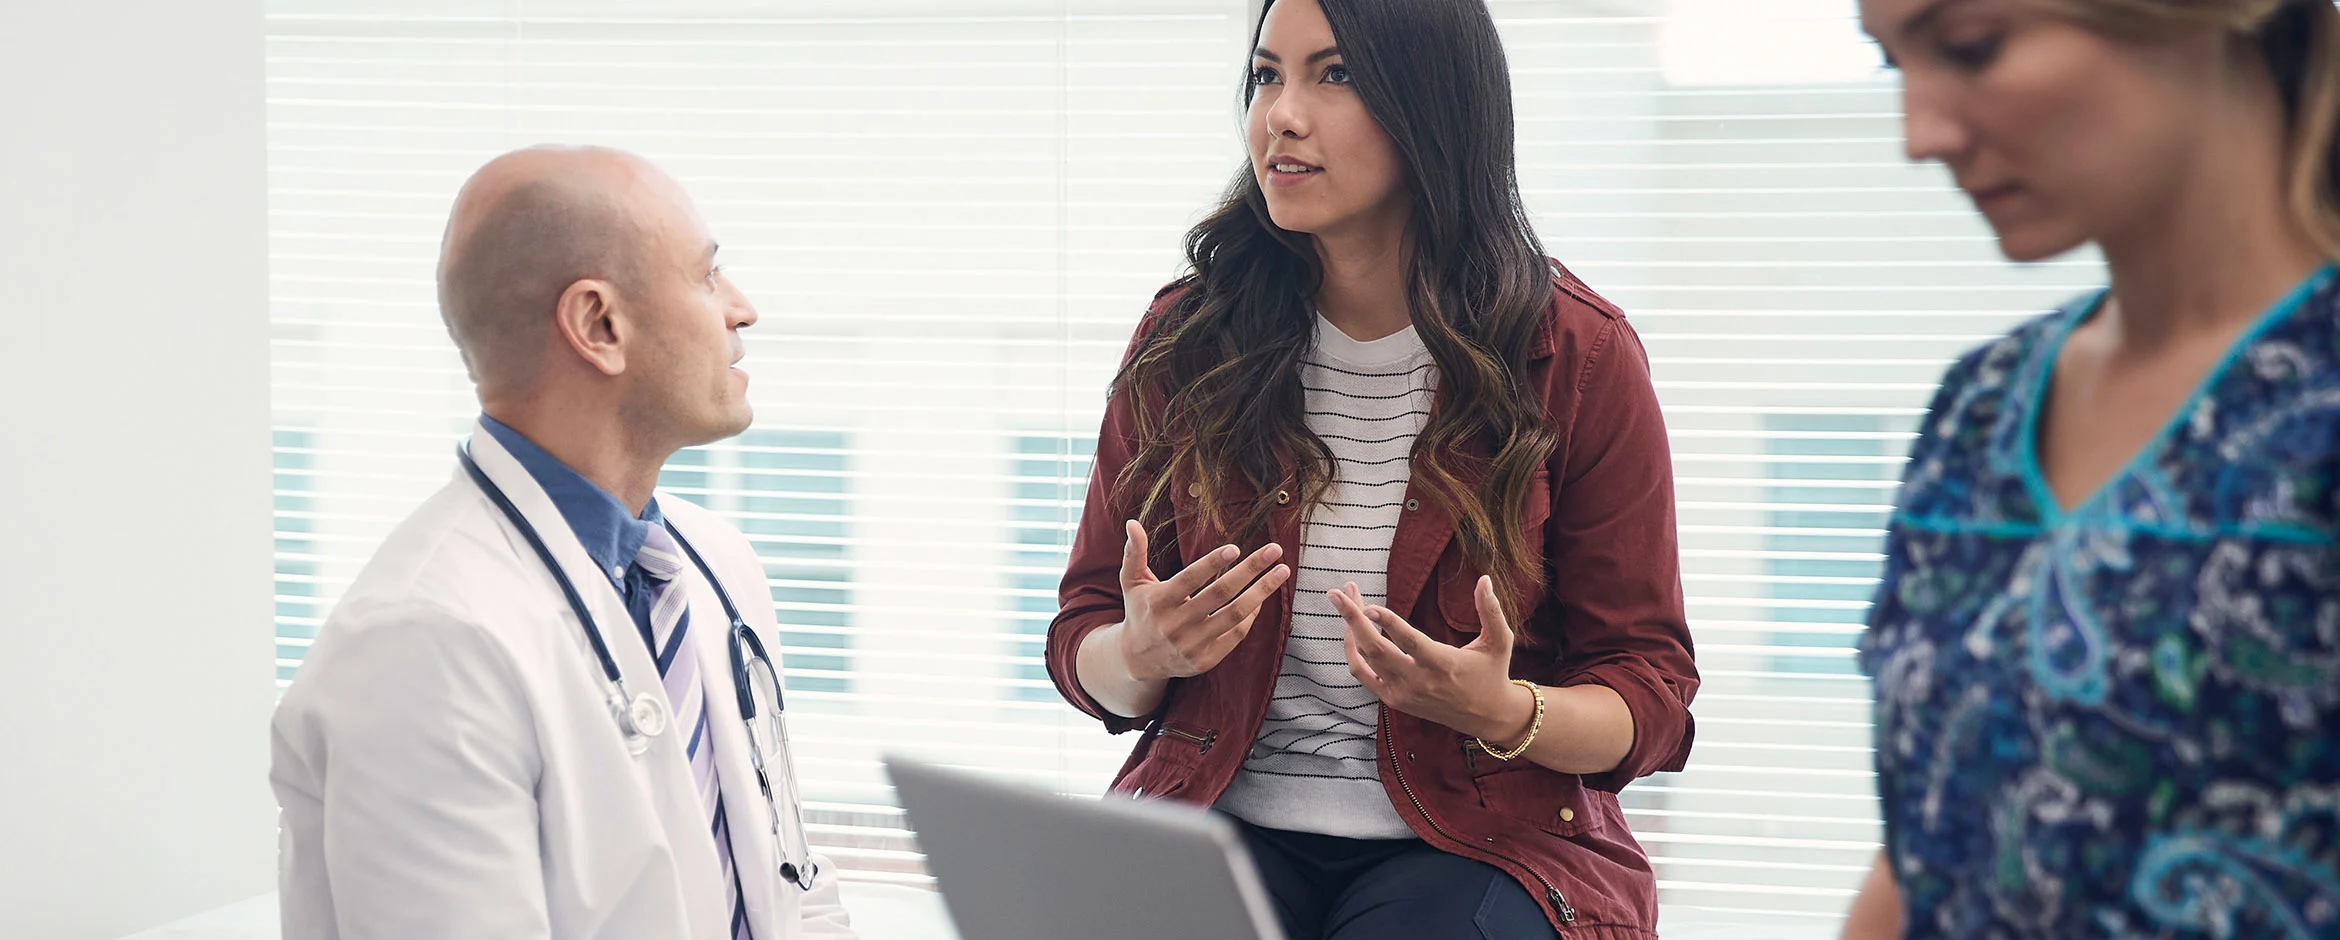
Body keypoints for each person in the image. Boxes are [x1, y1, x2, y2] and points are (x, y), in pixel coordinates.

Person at [1044, 0, 1700, 936]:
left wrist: (1505, 711)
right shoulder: (1187, 341)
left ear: (1432, 105)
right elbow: (1085, 635)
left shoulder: (1577, 354)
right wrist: (1139, 658)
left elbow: (1649, 688)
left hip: (1478, 841)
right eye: (1268, 74)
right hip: (1216, 815)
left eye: (1335, 75)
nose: (1283, 115)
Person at [1843, 0, 2340, 937]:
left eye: (1970, 49)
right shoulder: (1978, 407)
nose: (1922, 134)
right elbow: (1930, 851)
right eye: (1892, 65)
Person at [269, 146, 854, 940]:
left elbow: (792, 888)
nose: (742, 310)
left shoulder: (715, 564)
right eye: (708, 276)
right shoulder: (424, 641)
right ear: (599, 325)